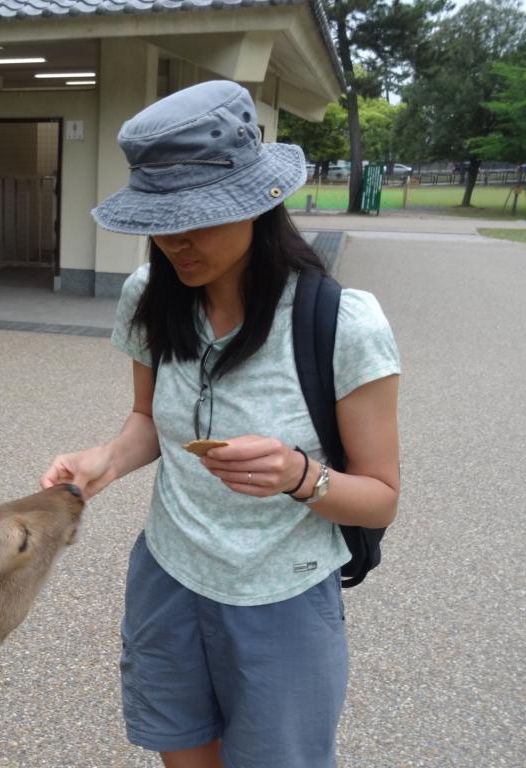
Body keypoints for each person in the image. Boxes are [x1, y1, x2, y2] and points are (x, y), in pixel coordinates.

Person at [40, 80, 400, 768]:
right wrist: (105, 461)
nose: (175, 240)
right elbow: (149, 420)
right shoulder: (151, 296)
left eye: (197, 216)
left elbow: (382, 495)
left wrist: (299, 475)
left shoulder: (344, 323)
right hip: (168, 577)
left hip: (283, 599)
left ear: (261, 201)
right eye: (159, 216)